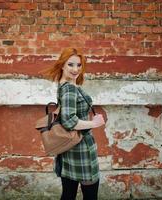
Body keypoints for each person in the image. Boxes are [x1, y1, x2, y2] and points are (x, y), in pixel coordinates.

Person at [41, 48, 105, 200]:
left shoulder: (65, 85)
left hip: (69, 147)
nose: (75, 69)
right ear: (62, 65)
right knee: (90, 195)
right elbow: (69, 121)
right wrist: (94, 123)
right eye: (70, 65)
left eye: (79, 65)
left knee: (68, 194)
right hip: (81, 149)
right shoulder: (69, 89)